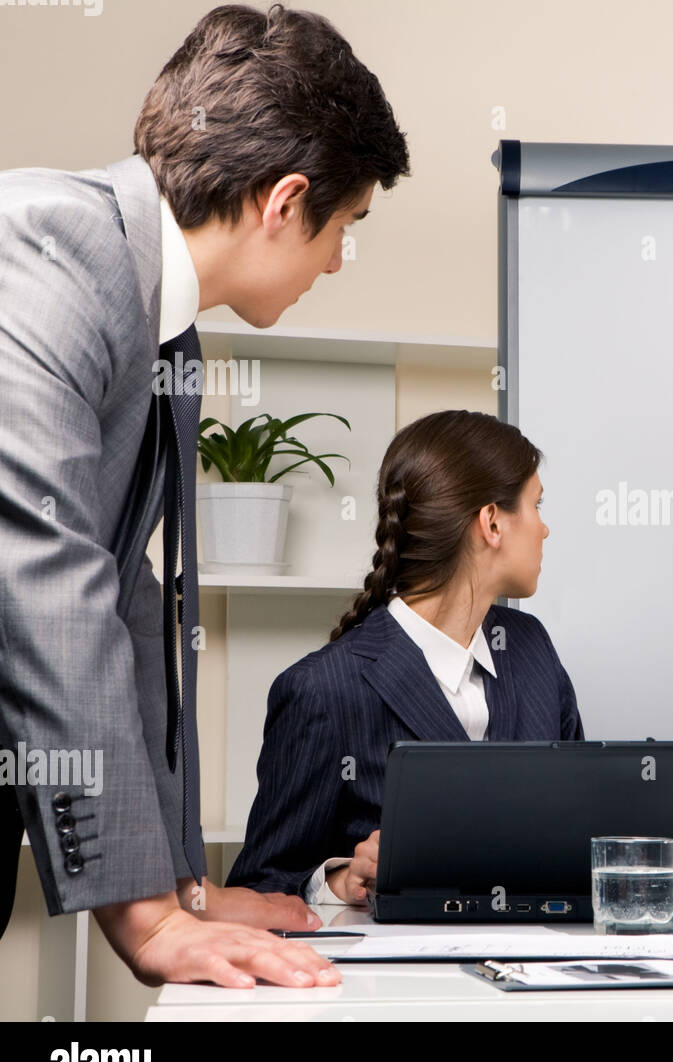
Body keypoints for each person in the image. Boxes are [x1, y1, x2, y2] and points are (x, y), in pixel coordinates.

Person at [0, 4, 408, 988]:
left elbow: (130, 600)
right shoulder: (44, 257)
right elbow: (45, 586)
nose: (333, 262)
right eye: (343, 229)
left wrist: (173, 884)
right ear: (285, 202)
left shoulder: (161, 321)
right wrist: (144, 916)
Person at [226, 411, 584, 904]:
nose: (544, 529)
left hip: (538, 968)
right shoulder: (324, 688)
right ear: (492, 522)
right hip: (404, 980)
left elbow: (582, 823)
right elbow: (258, 888)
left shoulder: (533, 648)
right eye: (537, 505)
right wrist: (338, 880)